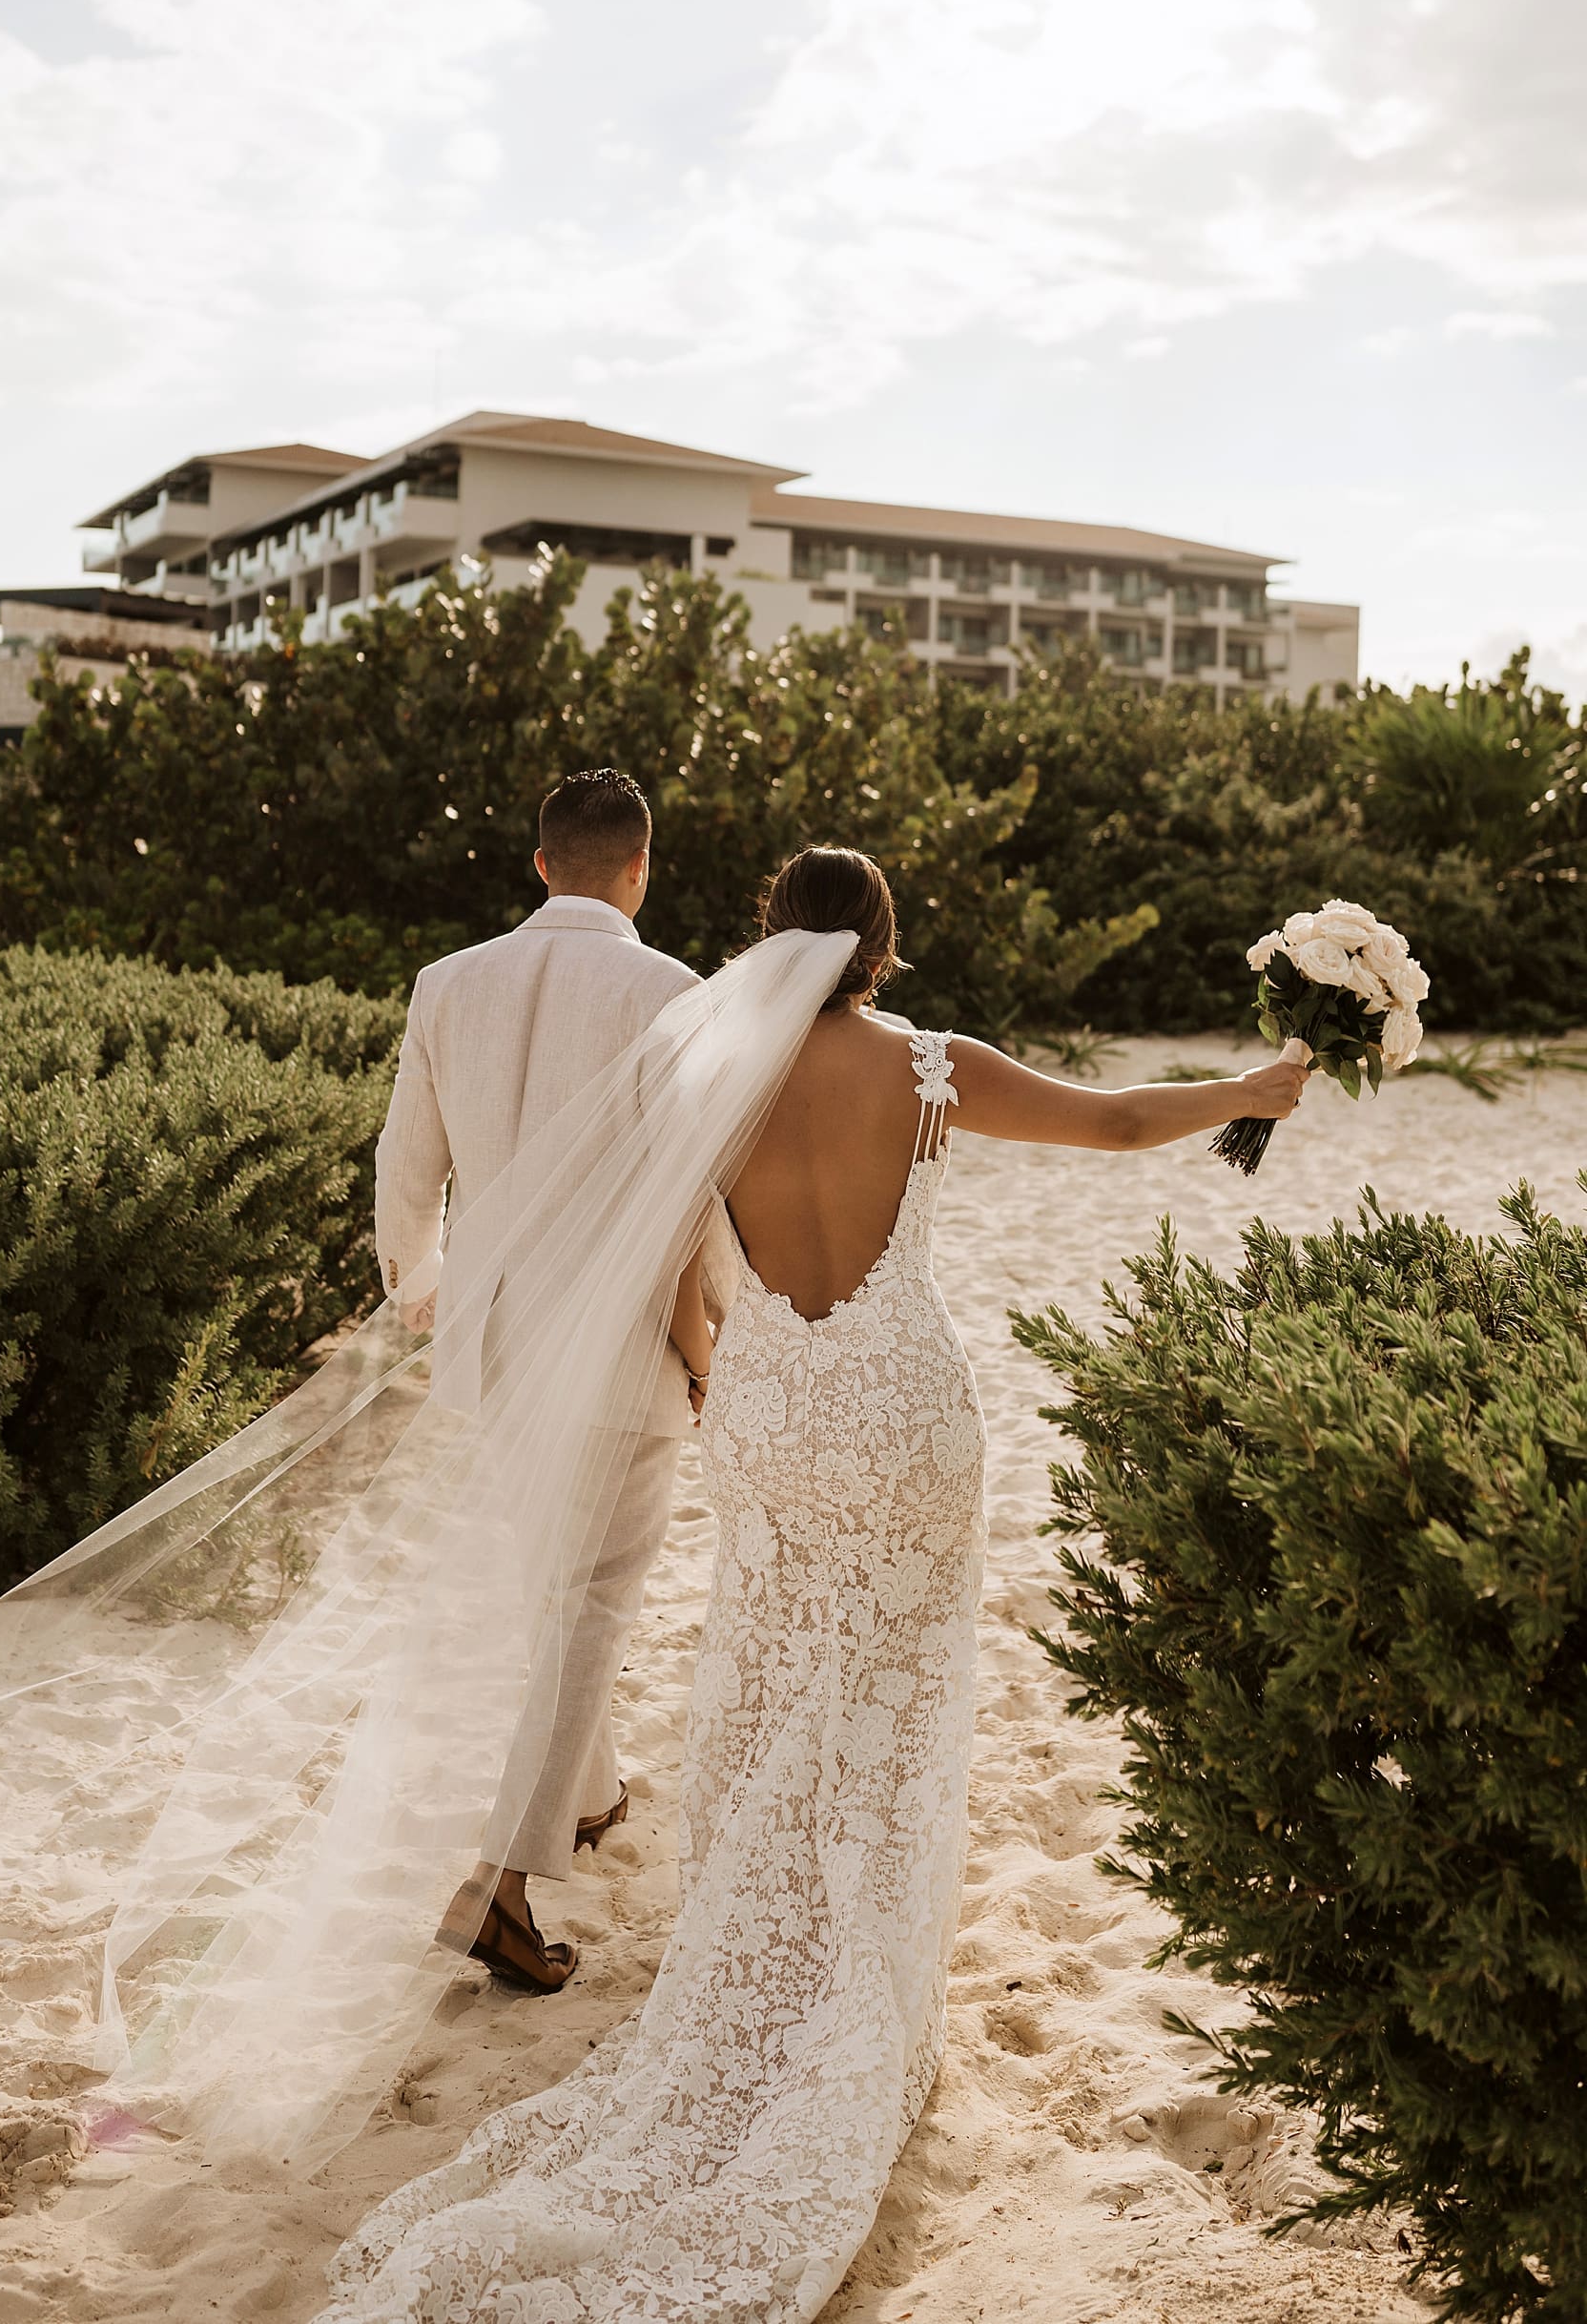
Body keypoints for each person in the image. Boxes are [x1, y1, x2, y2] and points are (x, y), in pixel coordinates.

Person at [319, 845, 1309, 2324]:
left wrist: (722, 1372)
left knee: (770, 1676)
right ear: (883, 950)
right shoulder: (924, 1064)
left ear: (767, 941)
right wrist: (1248, 1092)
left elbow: (666, 1270)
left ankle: (762, 1968)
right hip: (907, 1406)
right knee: (892, 1704)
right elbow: (1108, 1121)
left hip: (775, 1409)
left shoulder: (705, 1076)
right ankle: (861, 1991)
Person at [375, 765, 700, 1992]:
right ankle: (502, 1885)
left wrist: (421, 1285)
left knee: (554, 1583)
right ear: (641, 868)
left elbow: (407, 1169)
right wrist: (716, 1333)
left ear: (541, 865)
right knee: (593, 1601)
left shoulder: (446, 985)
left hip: (496, 1342)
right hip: (619, 1341)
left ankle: (594, 1792)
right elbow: (693, 1192)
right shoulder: (672, 993)